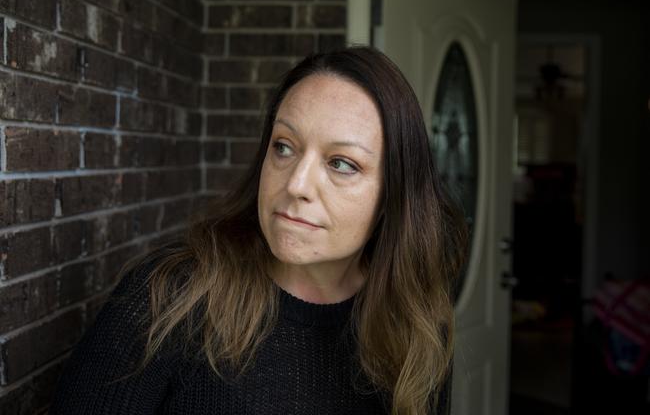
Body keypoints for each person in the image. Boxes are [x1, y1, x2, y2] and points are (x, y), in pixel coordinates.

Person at [49, 46, 467, 415]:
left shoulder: (417, 325)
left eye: (341, 163)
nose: (296, 185)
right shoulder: (170, 296)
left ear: (395, 195)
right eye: (284, 146)